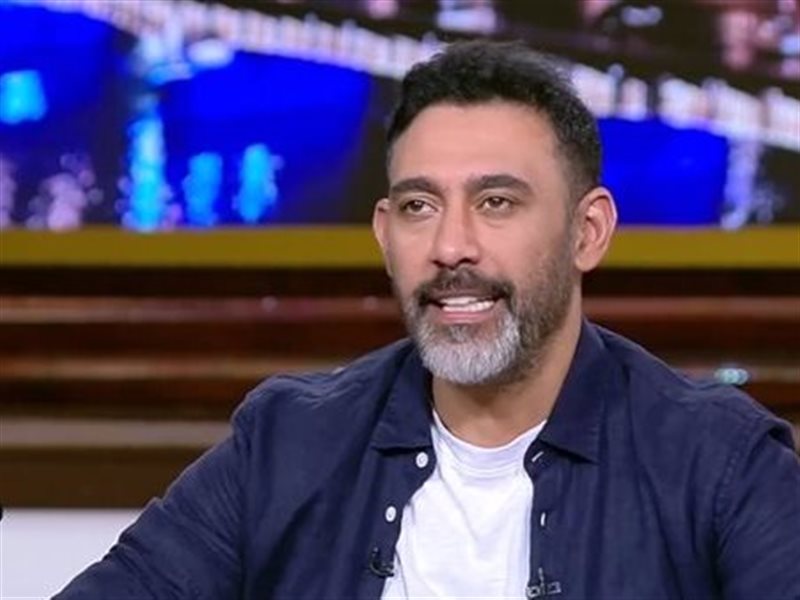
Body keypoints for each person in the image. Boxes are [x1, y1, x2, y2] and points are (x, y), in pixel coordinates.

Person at [56, 40, 799, 600]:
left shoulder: (722, 464)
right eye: (419, 205)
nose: (450, 246)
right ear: (385, 235)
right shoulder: (288, 443)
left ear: (588, 232)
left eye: (496, 203)